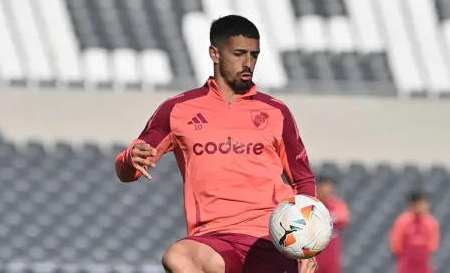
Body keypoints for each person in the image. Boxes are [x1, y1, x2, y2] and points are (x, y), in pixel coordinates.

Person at [115, 15, 318, 273]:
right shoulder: (177, 109)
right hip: (213, 240)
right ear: (215, 53)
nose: (248, 63)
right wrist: (131, 157)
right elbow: (126, 172)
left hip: (270, 238)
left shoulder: (276, 112)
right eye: (239, 53)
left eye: (254, 55)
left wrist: (307, 243)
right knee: (178, 256)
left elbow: (303, 180)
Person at [390, 190, 440, 273]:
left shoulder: (431, 223)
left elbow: (433, 246)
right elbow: (396, 245)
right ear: (413, 204)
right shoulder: (402, 222)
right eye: (422, 203)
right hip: (407, 266)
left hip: (424, 266)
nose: (425, 206)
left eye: (426, 203)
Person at [314, 176, 350, 273]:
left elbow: (344, 218)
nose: (328, 190)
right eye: (325, 187)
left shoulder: (337, 204)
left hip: (331, 252)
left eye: (330, 187)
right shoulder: (310, 203)